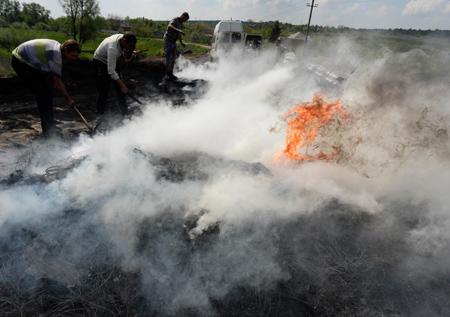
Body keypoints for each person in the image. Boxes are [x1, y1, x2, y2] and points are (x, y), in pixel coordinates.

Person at [11, 39, 81, 137]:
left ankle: (49, 122)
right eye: (73, 55)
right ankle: (48, 130)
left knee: (47, 92)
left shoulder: (58, 49)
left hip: (27, 61)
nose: (74, 59)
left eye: (76, 57)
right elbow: (58, 83)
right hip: (20, 61)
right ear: (65, 49)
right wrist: (68, 99)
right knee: (43, 95)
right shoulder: (55, 54)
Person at [93, 31, 137, 118]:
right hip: (100, 63)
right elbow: (111, 72)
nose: (131, 48)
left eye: (133, 46)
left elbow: (126, 55)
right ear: (124, 41)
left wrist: (130, 51)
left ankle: (125, 114)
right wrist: (123, 86)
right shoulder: (113, 49)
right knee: (104, 90)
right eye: (130, 46)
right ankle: (99, 116)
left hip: (111, 61)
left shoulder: (123, 39)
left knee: (120, 89)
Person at [163, 12, 189, 81]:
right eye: (185, 19)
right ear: (183, 16)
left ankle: (171, 73)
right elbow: (169, 26)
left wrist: (181, 43)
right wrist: (178, 30)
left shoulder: (180, 24)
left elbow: (179, 35)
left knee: (173, 57)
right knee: (168, 57)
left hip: (173, 41)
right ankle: (167, 73)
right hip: (168, 40)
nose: (184, 21)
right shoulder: (175, 19)